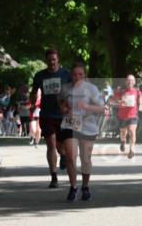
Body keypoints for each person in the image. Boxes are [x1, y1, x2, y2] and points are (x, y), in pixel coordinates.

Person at [59, 63, 106, 201]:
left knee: (85, 159)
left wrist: (86, 106)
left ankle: (85, 186)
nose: (77, 77)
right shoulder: (65, 89)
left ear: (84, 75)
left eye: (80, 74)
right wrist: (65, 109)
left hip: (88, 125)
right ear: (71, 75)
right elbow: (61, 103)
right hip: (70, 124)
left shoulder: (91, 89)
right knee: (70, 156)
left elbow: (102, 108)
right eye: (74, 74)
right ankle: (73, 187)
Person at [29, 48, 73, 188]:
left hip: (63, 115)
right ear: (46, 61)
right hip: (47, 115)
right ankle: (53, 176)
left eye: (54, 59)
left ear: (58, 60)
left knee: (62, 148)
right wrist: (32, 103)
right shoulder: (40, 76)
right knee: (51, 144)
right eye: (49, 60)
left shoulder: (66, 74)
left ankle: (63, 156)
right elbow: (34, 91)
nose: (51, 62)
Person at [115, 73, 139, 159]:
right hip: (122, 116)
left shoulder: (137, 91)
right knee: (123, 132)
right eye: (128, 80)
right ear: (126, 81)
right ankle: (123, 141)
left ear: (134, 82)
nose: (130, 81)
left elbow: (140, 101)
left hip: (133, 115)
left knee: (132, 131)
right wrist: (120, 101)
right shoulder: (120, 90)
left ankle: (131, 150)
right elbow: (114, 100)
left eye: (132, 80)